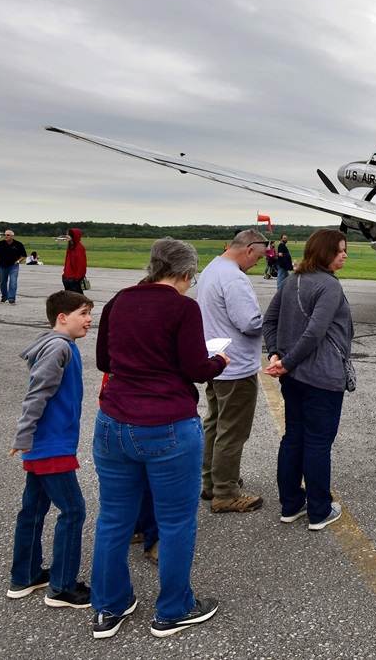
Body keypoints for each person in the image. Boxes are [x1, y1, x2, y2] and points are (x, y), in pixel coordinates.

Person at [92, 238, 228, 639]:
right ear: (186, 273)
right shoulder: (183, 307)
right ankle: (173, 608)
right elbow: (195, 368)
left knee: (113, 519)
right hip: (166, 423)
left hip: (113, 421)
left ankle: (109, 606)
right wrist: (218, 360)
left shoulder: (118, 300)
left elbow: (104, 360)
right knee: (175, 522)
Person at [7, 291, 95, 609]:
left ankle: (25, 576)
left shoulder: (58, 345)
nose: (89, 319)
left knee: (32, 511)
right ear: (62, 317)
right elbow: (37, 393)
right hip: (50, 446)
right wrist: (23, 435)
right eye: (83, 313)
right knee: (73, 512)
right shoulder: (58, 347)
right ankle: (62, 587)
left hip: (42, 445)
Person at [263, 229, 353, 526]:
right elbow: (315, 331)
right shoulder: (329, 286)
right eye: (340, 250)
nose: (344, 254)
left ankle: (291, 504)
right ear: (324, 252)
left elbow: (270, 320)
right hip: (321, 377)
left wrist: (276, 354)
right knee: (317, 442)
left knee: (293, 438)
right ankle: (319, 510)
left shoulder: (292, 281)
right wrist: (284, 360)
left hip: (295, 378)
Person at [197, 229, 268, 513]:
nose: (258, 263)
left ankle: (211, 482)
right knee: (233, 431)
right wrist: (271, 321)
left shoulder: (213, 269)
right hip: (236, 366)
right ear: (249, 249)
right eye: (259, 257)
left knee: (215, 423)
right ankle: (225, 491)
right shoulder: (234, 277)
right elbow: (249, 323)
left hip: (217, 358)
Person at [0, 230, 28, 304]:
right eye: (5, 235)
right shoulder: (0, 244)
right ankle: (4, 296)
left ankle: (11, 298)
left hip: (13, 266)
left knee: (13, 282)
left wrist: (18, 261)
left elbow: (24, 255)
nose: (6, 236)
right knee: (2, 282)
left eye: (8, 235)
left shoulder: (18, 244)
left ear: (12, 236)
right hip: (2, 265)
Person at [62, 228, 87, 295]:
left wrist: (77, 277)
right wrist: (64, 274)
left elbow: (81, 264)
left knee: (77, 298)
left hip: (74, 279)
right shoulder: (70, 247)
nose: (67, 236)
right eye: (67, 234)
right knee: (68, 298)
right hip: (67, 277)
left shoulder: (79, 248)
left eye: (69, 235)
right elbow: (67, 262)